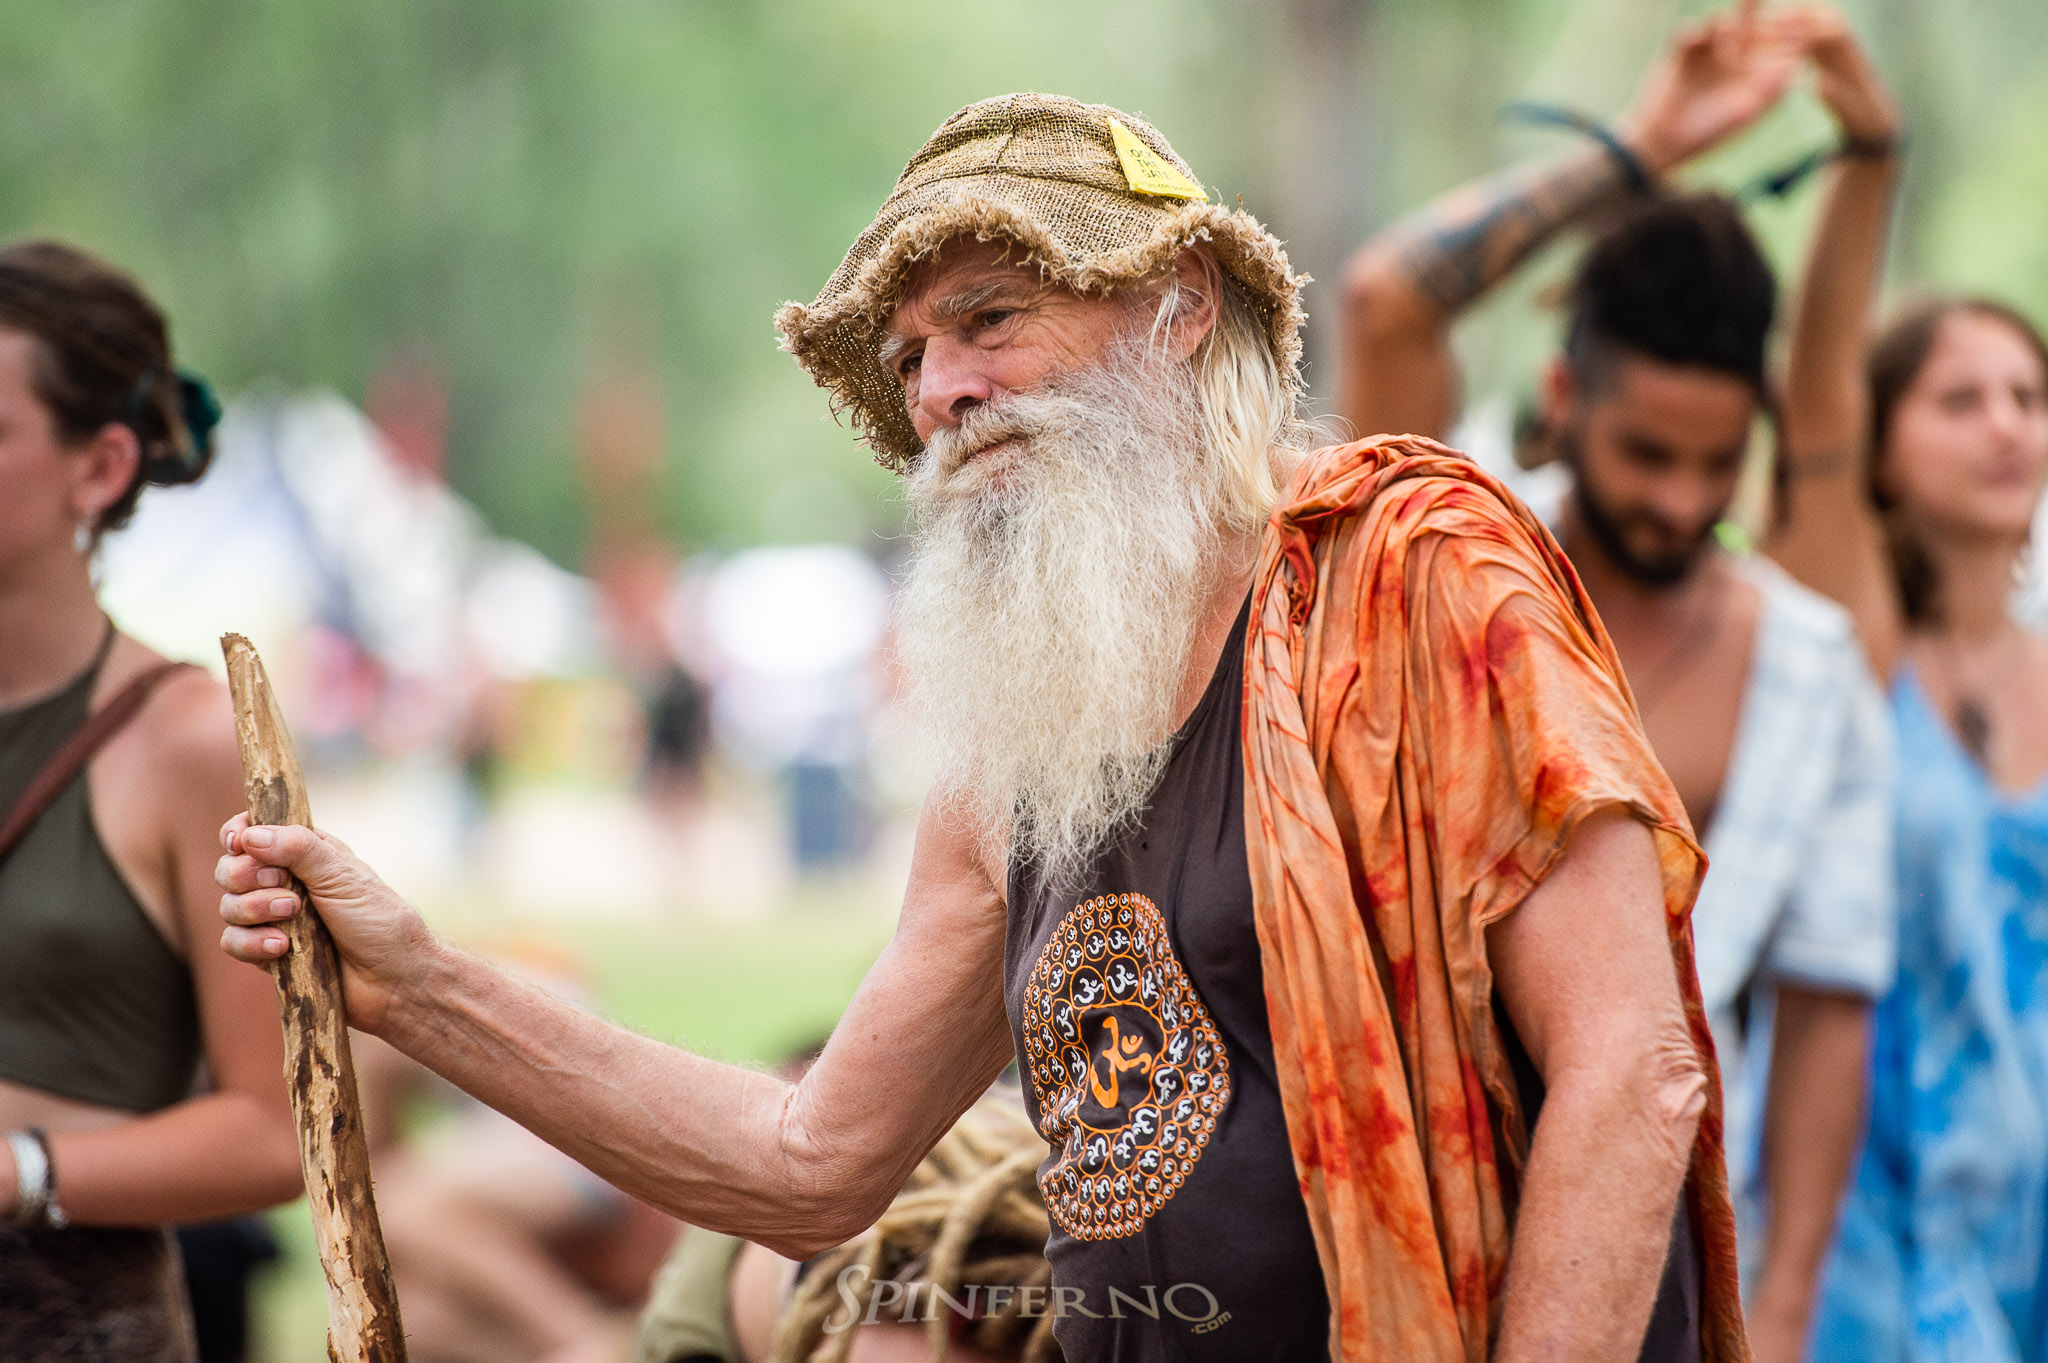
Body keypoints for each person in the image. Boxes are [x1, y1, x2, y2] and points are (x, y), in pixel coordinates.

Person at [220, 94, 1743, 1361]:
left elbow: (1634, 1068)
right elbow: (812, 1164)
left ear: (1179, 306)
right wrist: (414, 983)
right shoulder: (1018, 742)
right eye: (909, 361)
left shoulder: (1416, 576)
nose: (943, 391)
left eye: (989, 320)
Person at [1341, 9, 1900, 1356]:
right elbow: (1385, 299)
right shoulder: (1453, 567)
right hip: (1385, 1201)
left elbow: (1825, 1007)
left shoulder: (1802, 664)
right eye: (1647, 452)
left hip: (1658, 1260)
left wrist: (1781, 1305)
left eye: (1717, 461)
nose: (1682, 499)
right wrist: (1641, 147)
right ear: (1563, 393)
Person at [1755, 50, 2048, 1354]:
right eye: (1960, 398)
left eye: (2029, 397)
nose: (2006, 425)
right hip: (1867, 1244)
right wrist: (1870, 158)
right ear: (1879, 444)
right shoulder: (1857, 648)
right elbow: (1813, 386)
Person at [0, 240, 303, 1361]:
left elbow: (278, 1130)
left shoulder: (187, 741)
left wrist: (23, 1169)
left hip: (63, 1319)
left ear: (101, 466)